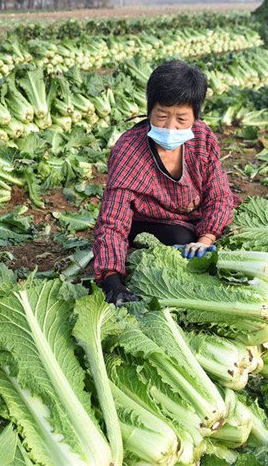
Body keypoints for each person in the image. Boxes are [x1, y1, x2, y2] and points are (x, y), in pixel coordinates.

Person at [93, 60, 238, 305]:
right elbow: (113, 219)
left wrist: (205, 240)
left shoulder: (203, 138)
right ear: (150, 110)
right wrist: (112, 280)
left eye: (181, 119)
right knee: (180, 237)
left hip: (192, 219)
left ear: (195, 116)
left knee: (194, 240)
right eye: (161, 116)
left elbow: (220, 196)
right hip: (146, 223)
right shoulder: (129, 149)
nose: (170, 127)